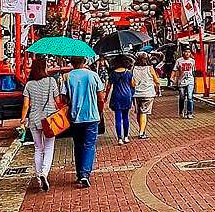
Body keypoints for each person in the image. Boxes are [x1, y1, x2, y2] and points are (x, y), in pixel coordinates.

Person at [58, 56, 104, 188]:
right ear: (84, 61)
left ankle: (80, 174)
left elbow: (63, 98)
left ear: (71, 62)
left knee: (78, 145)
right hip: (91, 116)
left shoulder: (67, 77)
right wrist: (99, 112)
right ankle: (85, 174)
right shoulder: (93, 75)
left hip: (75, 117)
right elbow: (100, 98)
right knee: (89, 145)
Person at [19, 57, 59, 191]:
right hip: (49, 119)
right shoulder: (51, 81)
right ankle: (44, 173)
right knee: (49, 147)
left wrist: (22, 119)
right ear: (44, 68)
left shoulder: (29, 84)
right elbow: (57, 100)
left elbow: (26, 105)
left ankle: (38, 176)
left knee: (38, 148)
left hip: (34, 119)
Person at [105, 55, 135, 145]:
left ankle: (119, 139)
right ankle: (126, 137)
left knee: (118, 118)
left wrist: (106, 97)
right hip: (127, 96)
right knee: (126, 117)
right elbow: (133, 85)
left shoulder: (113, 73)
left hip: (116, 96)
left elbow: (108, 87)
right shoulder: (129, 73)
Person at [132, 52, 161, 139]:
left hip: (136, 93)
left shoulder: (133, 68)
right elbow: (157, 81)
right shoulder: (150, 68)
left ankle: (141, 128)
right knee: (144, 112)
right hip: (148, 93)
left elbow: (132, 82)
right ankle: (141, 132)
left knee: (139, 112)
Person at [174, 47, 196, 119]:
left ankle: (189, 113)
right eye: (186, 52)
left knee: (190, 97)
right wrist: (174, 78)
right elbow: (175, 70)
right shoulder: (179, 61)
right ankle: (181, 111)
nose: (187, 53)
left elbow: (193, 71)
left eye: (189, 52)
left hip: (190, 80)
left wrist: (194, 80)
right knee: (182, 97)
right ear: (183, 52)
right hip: (181, 81)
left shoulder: (192, 61)